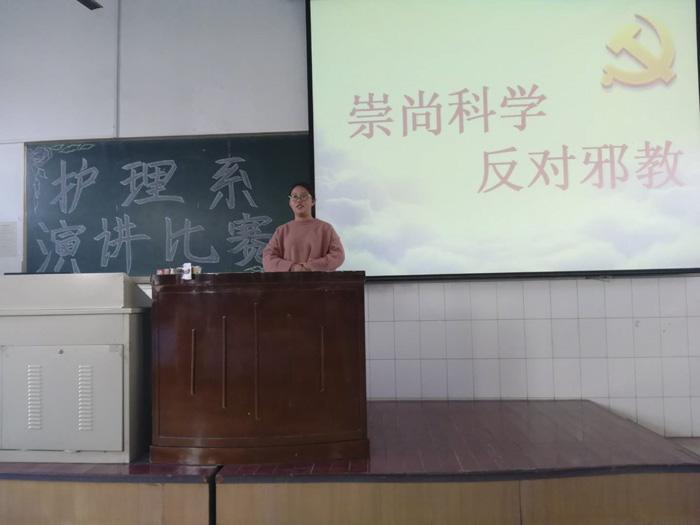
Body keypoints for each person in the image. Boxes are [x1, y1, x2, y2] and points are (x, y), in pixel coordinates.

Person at [262, 183, 345, 272]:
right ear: (290, 203)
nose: (299, 200)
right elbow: (268, 258)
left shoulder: (325, 228)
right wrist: (293, 267)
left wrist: (312, 266)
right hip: (289, 280)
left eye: (304, 196)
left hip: (319, 280)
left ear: (312, 201)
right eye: (294, 197)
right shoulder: (282, 230)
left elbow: (338, 256)